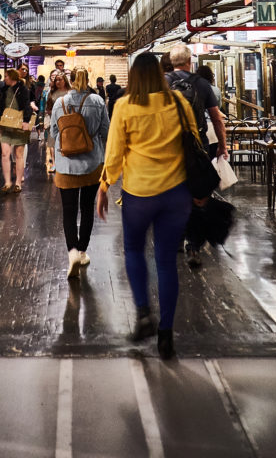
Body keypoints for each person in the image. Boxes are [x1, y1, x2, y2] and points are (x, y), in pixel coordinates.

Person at [96, 51, 202, 360]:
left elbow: (114, 153)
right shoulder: (179, 103)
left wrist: (104, 185)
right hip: (176, 193)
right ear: (159, 73)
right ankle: (166, 334)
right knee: (167, 262)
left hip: (139, 194)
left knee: (133, 250)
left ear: (134, 76)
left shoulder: (124, 106)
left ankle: (144, 313)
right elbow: (194, 141)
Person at [166, 43, 229, 270]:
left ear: (171, 62)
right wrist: (222, 145)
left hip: (168, 147)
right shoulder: (201, 84)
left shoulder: (162, 83)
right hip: (197, 146)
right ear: (189, 61)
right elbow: (216, 118)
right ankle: (193, 244)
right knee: (198, 193)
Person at [51, 67, 109, 278]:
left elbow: (53, 132)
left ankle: (72, 252)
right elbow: (105, 132)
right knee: (86, 208)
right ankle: (83, 251)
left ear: (70, 80)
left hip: (66, 165)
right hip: (92, 164)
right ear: (87, 80)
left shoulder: (60, 102)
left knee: (68, 210)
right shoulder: (98, 101)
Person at [0, 68, 33, 193]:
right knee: (5, 153)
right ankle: (7, 182)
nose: (4, 78)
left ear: (12, 78)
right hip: (6, 124)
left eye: (6, 76)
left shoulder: (23, 90)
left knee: (18, 154)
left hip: (19, 124)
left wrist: (26, 121)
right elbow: (0, 107)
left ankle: (17, 183)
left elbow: (27, 105)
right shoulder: (4, 90)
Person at [44, 71, 69, 173]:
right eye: (56, 80)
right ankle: (54, 163)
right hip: (54, 120)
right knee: (52, 142)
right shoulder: (52, 93)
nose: (58, 82)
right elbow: (48, 107)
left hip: (67, 120)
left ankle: (65, 163)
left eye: (60, 79)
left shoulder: (69, 92)